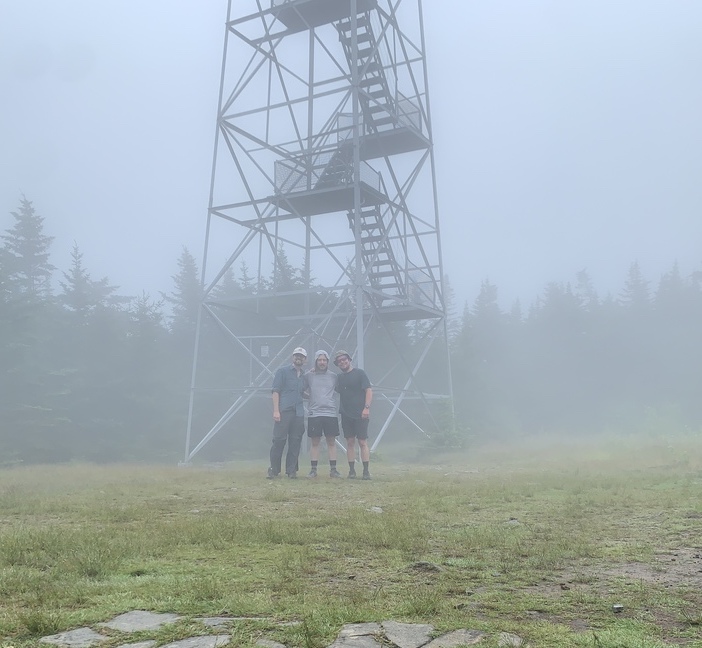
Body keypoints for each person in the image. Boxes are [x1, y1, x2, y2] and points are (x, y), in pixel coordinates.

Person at [267, 347, 307, 479]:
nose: (298, 358)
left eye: (301, 356)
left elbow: (302, 393)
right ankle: (274, 469)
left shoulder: (304, 375)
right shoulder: (282, 371)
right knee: (279, 440)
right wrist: (276, 411)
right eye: (296, 355)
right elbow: (276, 391)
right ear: (292, 357)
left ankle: (291, 470)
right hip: (284, 411)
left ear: (305, 360)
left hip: (299, 413)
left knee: (295, 442)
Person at [333, 350, 373, 480]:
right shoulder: (339, 378)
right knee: (349, 442)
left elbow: (368, 390)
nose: (342, 362)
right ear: (337, 364)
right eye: (339, 361)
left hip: (361, 413)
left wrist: (366, 408)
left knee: (362, 441)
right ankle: (352, 471)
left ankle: (366, 471)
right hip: (346, 414)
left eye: (344, 359)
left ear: (349, 360)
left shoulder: (360, 373)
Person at [304, 350, 342, 478]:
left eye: (324, 360)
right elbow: (300, 389)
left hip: (330, 412)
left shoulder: (334, 376)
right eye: (319, 360)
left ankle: (333, 470)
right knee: (315, 442)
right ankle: (313, 470)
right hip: (314, 413)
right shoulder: (309, 375)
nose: (322, 362)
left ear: (327, 362)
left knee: (331, 442)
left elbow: (341, 390)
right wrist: (310, 397)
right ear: (315, 361)